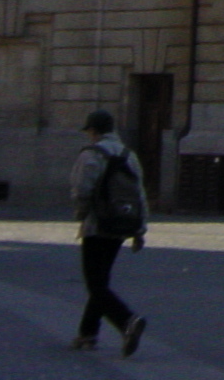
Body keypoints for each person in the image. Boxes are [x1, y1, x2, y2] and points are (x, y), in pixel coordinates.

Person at [69, 110, 148, 355]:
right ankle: (87, 333)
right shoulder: (129, 155)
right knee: (100, 280)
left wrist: (81, 213)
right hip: (121, 225)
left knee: (95, 283)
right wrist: (139, 230)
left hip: (97, 225)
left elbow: (81, 188)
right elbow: (139, 194)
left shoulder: (91, 154)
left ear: (93, 131)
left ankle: (127, 321)